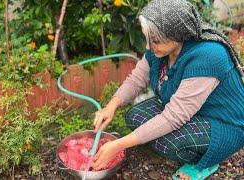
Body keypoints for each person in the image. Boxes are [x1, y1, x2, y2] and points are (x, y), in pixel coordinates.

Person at [91, 0, 244, 179]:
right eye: (147, 39)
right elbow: (136, 80)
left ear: (178, 34)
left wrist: (119, 145)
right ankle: (188, 143)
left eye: (154, 41)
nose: (148, 47)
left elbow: (174, 116)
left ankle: (206, 161)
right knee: (134, 117)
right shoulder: (161, 49)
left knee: (167, 144)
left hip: (224, 122)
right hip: (192, 111)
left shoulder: (209, 56)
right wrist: (111, 106)